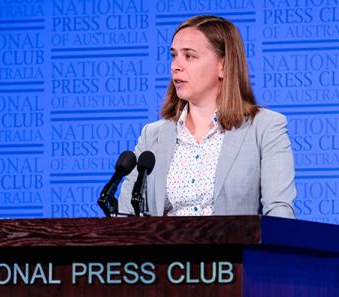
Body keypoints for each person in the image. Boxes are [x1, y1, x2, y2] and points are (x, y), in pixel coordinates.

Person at [118, 15, 296, 218]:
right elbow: (126, 216)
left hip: (234, 249)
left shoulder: (265, 127)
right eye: (174, 55)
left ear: (223, 66)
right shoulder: (153, 136)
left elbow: (280, 214)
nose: (176, 66)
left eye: (189, 56)